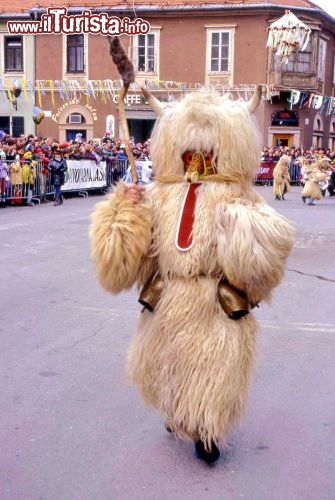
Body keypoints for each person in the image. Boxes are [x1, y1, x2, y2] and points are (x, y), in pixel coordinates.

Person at [90, 85, 294, 464]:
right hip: (169, 298)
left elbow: (269, 252)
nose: (198, 158)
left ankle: (208, 431)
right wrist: (125, 212)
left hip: (214, 300)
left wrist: (244, 227)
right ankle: (177, 411)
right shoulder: (159, 194)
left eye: (208, 150)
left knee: (214, 371)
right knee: (167, 363)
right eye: (190, 150)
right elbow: (121, 264)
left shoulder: (240, 195)